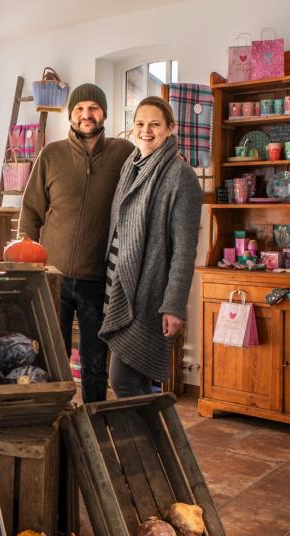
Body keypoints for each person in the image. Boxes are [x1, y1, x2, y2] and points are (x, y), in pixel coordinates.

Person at [19, 83, 135, 403]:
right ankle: (52, 413)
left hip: (99, 279)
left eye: (93, 108)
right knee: (51, 351)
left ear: (104, 114)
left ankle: (94, 420)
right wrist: (29, 263)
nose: (87, 115)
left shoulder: (123, 153)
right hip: (52, 277)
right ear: (71, 114)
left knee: (94, 359)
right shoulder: (51, 154)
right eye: (80, 109)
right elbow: (30, 211)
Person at [99, 96, 203, 397]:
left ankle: (148, 443)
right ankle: (151, 443)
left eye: (155, 124)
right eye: (140, 124)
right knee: (136, 382)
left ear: (170, 128)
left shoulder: (180, 176)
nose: (146, 130)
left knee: (124, 381)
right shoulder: (131, 167)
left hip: (149, 297)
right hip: (120, 287)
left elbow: (185, 250)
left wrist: (173, 305)